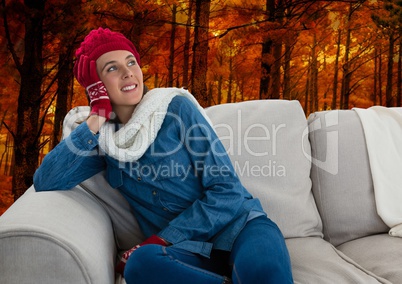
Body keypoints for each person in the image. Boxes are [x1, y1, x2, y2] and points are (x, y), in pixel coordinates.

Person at [33, 27, 293, 284]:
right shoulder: (105, 142)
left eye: (131, 62)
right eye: (112, 68)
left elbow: (228, 190)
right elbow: (47, 179)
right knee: (140, 264)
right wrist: (97, 116)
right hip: (187, 252)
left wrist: (164, 237)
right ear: (95, 85)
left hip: (241, 228)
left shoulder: (176, 108)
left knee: (264, 272)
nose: (127, 73)